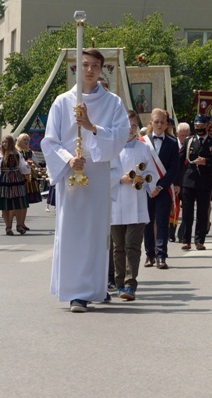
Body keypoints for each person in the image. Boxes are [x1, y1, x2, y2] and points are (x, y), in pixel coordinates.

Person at [41, 48, 130, 312]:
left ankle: (95, 288)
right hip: (71, 171)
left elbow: (121, 134)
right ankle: (75, 292)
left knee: (95, 232)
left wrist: (92, 127)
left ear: (102, 69)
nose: (89, 70)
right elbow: (50, 140)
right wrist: (68, 159)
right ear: (77, 69)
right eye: (85, 65)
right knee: (72, 231)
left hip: (98, 169)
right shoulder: (61, 101)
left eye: (95, 66)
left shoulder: (113, 103)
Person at [110, 110, 159, 301]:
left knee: (133, 246)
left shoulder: (143, 148)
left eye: (133, 126)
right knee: (118, 246)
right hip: (116, 203)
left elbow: (152, 173)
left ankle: (130, 284)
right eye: (127, 126)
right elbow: (104, 173)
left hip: (136, 204)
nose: (130, 130)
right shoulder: (112, 148)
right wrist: (120, 179)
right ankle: (119, 282)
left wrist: (148, 184)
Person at [178, 114, 212, 251]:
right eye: (197, 126)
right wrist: (177, 182)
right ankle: (186, 240)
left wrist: (206, 161)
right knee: (187, 213)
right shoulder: (189, 141)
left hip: (204, 181)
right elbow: (180, 162)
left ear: (207, 126)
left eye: (201, 126)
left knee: (203, 213)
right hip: (189, 181)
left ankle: (199, 240)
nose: (199, 129)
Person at [142, 108, 179, 269]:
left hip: (163, 189)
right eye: (156, 122)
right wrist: (149, 186)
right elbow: (140, 166)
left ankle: (161, 256)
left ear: (166, 125)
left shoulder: (172, 143)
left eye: (162, 122)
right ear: (151, 123)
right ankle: (149, 255)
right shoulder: (143, 142)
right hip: (146, 189)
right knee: (147, 222)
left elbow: (174, 168)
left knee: (162, 222)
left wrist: (160, 186)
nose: (159, 125)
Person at [0, 135, 30, 236]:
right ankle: (8, 227)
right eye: (3, 142)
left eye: (6, 142)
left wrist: (27, 166)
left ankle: (19, 225)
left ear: (11, 143)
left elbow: (23, 167)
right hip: (5, 181)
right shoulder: (0, 155)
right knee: (5, 205)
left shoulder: (18, 154)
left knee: (19, 203)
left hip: (17, 180)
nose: (4, 144)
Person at [16, 133, 42, 229]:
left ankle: (22, 223)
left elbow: (37, 163)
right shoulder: (16, 152)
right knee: (19, 202)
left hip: (29, 179)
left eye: (27, 140)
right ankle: (17, 223)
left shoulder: (29, 152)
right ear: (19, 140)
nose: (26, 142)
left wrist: (36, 166)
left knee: (25, 202)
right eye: (24, 140)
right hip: (18, 178)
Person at [170, 122, 191, 242]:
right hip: (175, 181)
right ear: (177, 134)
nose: (183, 137)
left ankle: (182, 232)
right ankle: (171, 232)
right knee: (174, 207)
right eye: (181, 135)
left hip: (188, 182)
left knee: (187, 209)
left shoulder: (192, 145)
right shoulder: (173, 144)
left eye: (186, 135)